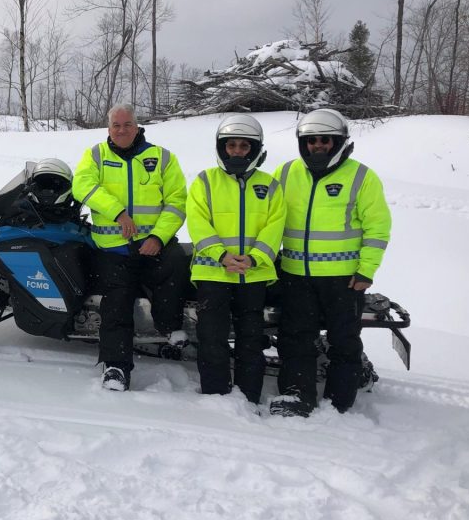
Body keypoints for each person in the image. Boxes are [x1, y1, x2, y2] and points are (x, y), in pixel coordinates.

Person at [271, 108, 391, 417]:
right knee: (295, 339)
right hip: (296, 275)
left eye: (325, 140)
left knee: (344, 341)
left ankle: (341, 400)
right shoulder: (285, 174)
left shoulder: (361, 176)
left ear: (339, 142)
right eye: (312, 140)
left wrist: (367, 270)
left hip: (344, 279)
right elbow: (266, 217)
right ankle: (297, 395)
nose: (318, 146)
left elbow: (377, 228)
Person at [71, 103, 188, 391]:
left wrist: (159, 237)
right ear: (108, 128)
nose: (121, 130)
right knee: (116, 304)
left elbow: (177, 201)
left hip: (154, 246)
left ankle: (169, 328)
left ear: (137, 126)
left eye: (127, 124)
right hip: (113, 248)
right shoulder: (96, 155)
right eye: (116, 125)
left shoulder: (161, 157)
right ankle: (116, 367)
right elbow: (82, 186)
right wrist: (118, 213)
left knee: (174, 273)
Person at [186, 115, 285, 404]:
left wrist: (254, 259)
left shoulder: (270, 186)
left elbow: (275, 226)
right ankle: (216, 394)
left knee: (250, 339)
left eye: (244, 146)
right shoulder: (205, 181)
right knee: (212, 338)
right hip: (213, 274)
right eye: (232, 146)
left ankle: (249, 395)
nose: (237, 151)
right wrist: (221, 255)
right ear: (222, 148)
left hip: (252, 275)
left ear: (254, 150)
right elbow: (197, 222)